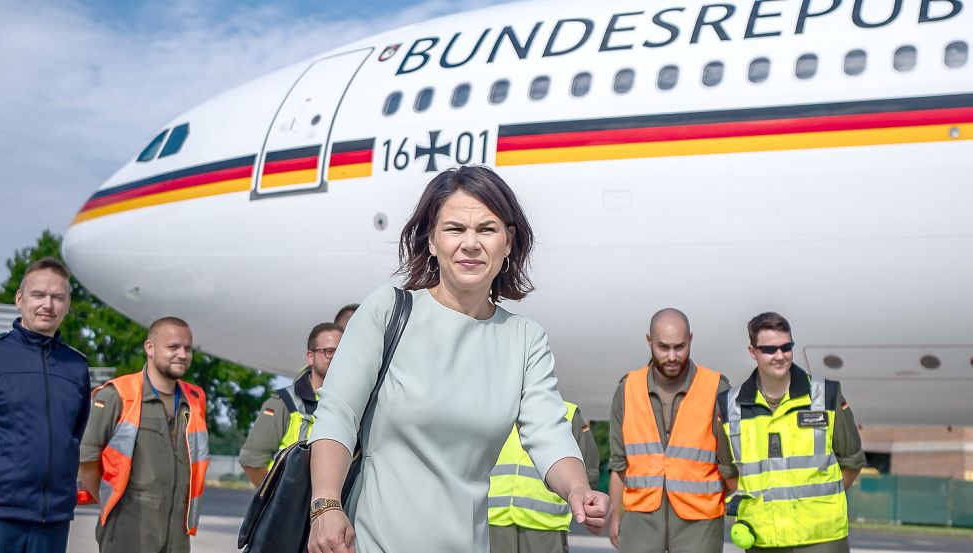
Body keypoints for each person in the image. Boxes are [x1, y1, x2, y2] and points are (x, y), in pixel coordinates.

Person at [306, 166, 608, 553]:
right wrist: (326, 505)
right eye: (455, 229)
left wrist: (578, 490)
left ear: (508, 242)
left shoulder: (525, 339)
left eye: (486, 229)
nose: (470, 244)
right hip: (371, 541)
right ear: (432, 241)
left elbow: (548, 432)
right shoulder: (387, 311)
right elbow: (338, 413)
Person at [717, 312, 865, 552]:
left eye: (786, 347)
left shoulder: (826, 395)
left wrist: (819, 506)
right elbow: (729, 473)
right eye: (769, 349)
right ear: (753, 352)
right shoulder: (729, 406)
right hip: (764, 539)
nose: (780, 356)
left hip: (822, 538)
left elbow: (852, 461)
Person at [78, 317, 209, 553]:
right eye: (173, 347)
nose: (182, 354)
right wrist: (112, 502)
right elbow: (87, 459)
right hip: (128, 529)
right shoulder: (117, 395)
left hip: (177, 533)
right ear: (150, 348)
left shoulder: (194, 400)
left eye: (187, 348)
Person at [607, 308, 730, 553]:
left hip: (700, 526)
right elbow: (619, 465)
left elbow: (730, 466)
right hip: (640, 522)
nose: (672, 356)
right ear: (649, 341)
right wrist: (615, 517)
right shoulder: (627, 389)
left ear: (691, 339)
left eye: (680, 347)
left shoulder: (717, 388)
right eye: (663, 347)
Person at [0, 258, 91, 553]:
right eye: (38, 295)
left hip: (53, 517)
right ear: (19, 299)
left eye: (57, 297)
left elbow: (75, 431)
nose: (48, 304)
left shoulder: (76, 366)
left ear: (67, 305)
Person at [239, 322, 344, 487]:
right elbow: (251, 460)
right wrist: (276, 497)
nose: (337, 358)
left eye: (342, 351)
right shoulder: (283, 403)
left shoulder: (353, 404)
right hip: (293, 501)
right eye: (329, 351)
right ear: (310, 356)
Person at [488, 400, 600, 553]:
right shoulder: (491, 411)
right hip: (493, 525)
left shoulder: (568, 413)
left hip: (546, 528)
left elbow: (589, 472)